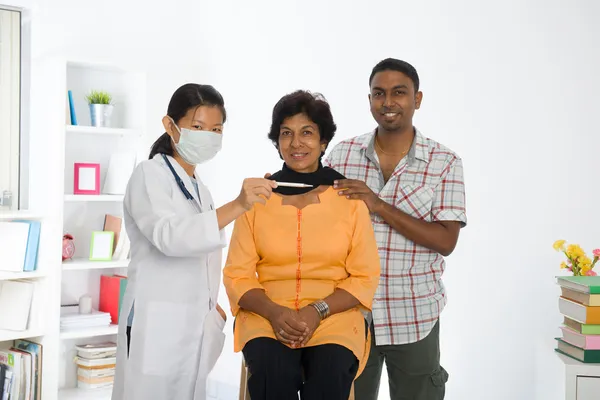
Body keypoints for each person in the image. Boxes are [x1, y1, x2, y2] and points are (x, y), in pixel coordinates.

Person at [111, 83, 277, 400]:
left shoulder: (201, 190)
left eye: (216, 129)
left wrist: (213, 310)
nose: (208, 136)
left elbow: (205, 255)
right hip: (155, 327)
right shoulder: (148, 175)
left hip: (193, 329)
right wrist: (239, 204)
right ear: (170, 126)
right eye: (198, 127)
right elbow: (169, 237)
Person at [223, 90, 381, 400]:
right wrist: (274, 312)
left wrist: (316, 311)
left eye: (307, 132)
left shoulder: (348, 201)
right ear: (277, 141)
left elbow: (365, 276)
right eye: (286, 133)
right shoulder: (257, 198)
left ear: (323, 142)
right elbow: (237, 274)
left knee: (331, 373)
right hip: (267, 315)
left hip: (333, 316)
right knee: (273, 374)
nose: (296, 143)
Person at [324, 58, 468, 400]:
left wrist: (378, 205)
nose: (388, 102)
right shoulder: (342, 156)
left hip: (414, 313)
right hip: (351, 313)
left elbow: (446, 240)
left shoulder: (444, 162)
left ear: (417, 99)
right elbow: (317, 216)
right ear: (370, 99)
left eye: (399, 93)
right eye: (379, 93)